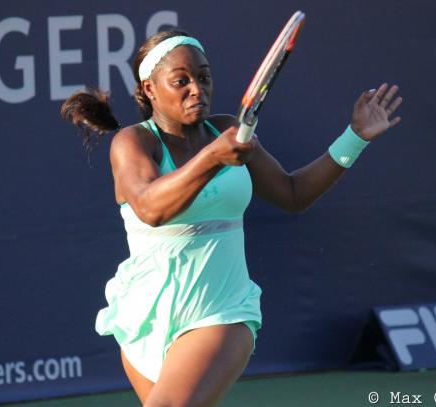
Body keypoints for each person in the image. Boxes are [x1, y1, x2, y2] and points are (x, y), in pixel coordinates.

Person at [61, 29, 402, 407]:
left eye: (204, 78)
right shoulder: (133, 142)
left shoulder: (225, 130)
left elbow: (293, 194)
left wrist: (355, 136)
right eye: (181, 81)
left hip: (220, 311)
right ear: (151, 89)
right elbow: (150, 208)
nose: (197, 89)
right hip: (145, 318)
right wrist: (212, 159)